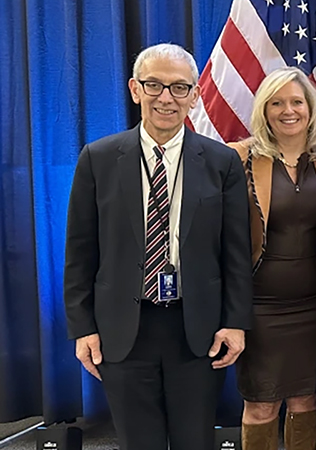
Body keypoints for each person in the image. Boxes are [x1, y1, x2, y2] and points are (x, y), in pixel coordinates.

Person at [63, 43, 252, 450]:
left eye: (179, 88)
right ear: (135, 89)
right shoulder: (97, 158)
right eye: (154, 85)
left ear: (195, 95)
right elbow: (80, 253)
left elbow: (237, 252)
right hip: (123, 330)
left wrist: (235, 322)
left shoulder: (222, 163)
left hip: (197, 329)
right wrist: (83, 328)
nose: (166, 98)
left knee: (194, 441)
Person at [227, 67, 316, 450]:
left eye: (296, 102)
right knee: (260, 405)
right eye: (277, 103)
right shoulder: (239, 160)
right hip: (259, 307)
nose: (288, 111)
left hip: (313, 305)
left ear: (310, 108)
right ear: (264, 110)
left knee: (305, 399)